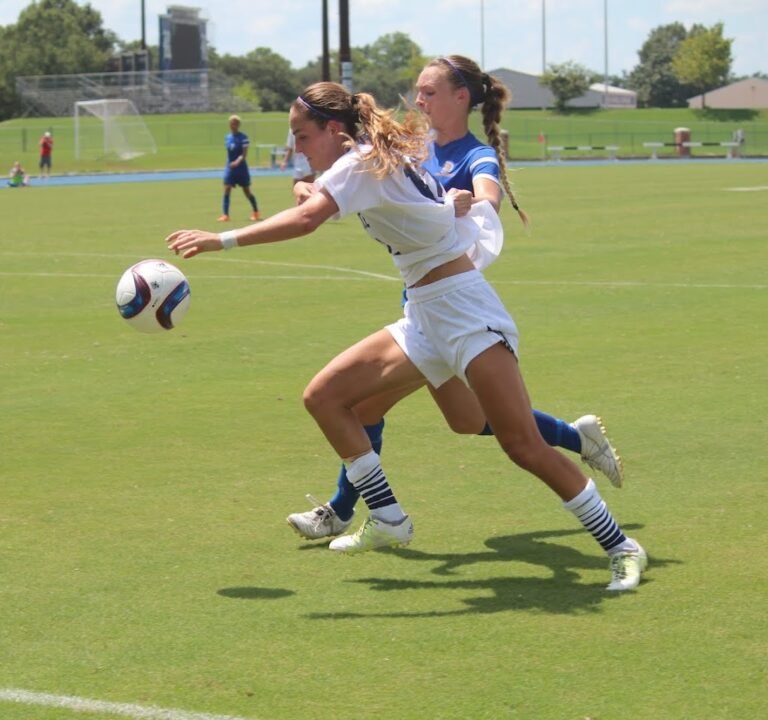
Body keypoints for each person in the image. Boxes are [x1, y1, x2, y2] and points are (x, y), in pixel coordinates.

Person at [166, 81, 647, 591]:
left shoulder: (360, 164)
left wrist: (219, 239)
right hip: (423, 315)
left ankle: (622, 546)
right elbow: (324, 193)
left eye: (302, 136)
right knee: (325, 398)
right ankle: (388, 516)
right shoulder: (370, 157)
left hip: (464, 311)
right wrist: (307, 186)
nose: (297, 147)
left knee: (522, 445)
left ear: (334, 129)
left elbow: (310, 218)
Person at [286, 55, 623, 542]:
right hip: (420, 305)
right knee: (463, 419)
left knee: (367, 407)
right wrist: (311, 186)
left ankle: (355, 513)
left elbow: (487, 197)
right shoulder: (409, 146)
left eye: (429, 92)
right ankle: (574, 438)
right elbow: (361, 181)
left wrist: (468, 203)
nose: (418, 100)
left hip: (454, 304)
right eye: (418, 91)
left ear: (460, 97)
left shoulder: (475, 154)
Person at [218, 115, 260, 222]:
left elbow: (244, 154)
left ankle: (256, 212)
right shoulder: (227, 137)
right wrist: (230, 163)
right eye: (232, 123)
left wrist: (237, 162)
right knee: (227, 189)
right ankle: (225, 215)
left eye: (235, 123)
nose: (233, 125)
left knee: (246, 191)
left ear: (238, 125)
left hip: (241, 168)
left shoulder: (243, 138)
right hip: (230, 168)